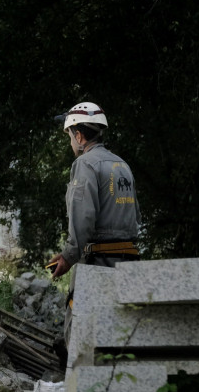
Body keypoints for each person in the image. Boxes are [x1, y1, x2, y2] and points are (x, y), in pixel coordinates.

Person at [48, 102, 141, 366]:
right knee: (120, 333)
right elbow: (137, 216)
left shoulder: (85, 164)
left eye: (69, 136)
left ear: (78, 135)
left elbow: (83, 216)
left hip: (96, 264)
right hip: (128, 264)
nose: (70, 142)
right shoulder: (121, 165)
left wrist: (67, 256)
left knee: (82, 335)